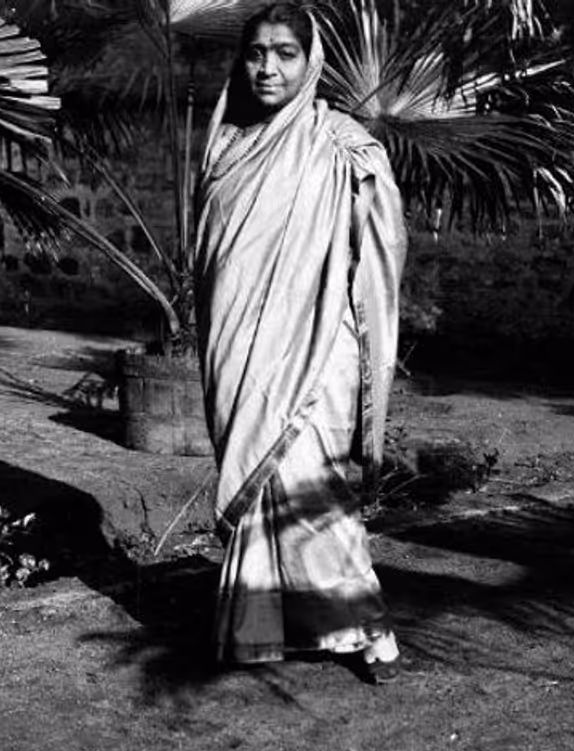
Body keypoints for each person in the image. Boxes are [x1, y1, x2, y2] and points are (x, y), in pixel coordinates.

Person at [194, 1, 407, 682]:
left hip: (317, 350)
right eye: (257, 52)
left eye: (285, 53)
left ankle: (361, 624)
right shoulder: (225, 142)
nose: (267, 67)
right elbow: (213, 261)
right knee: (262, 490)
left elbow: (377, 253)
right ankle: (257, 630)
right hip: (238, 345)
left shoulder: (342, 145)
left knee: (311, 487)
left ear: (309, 59)